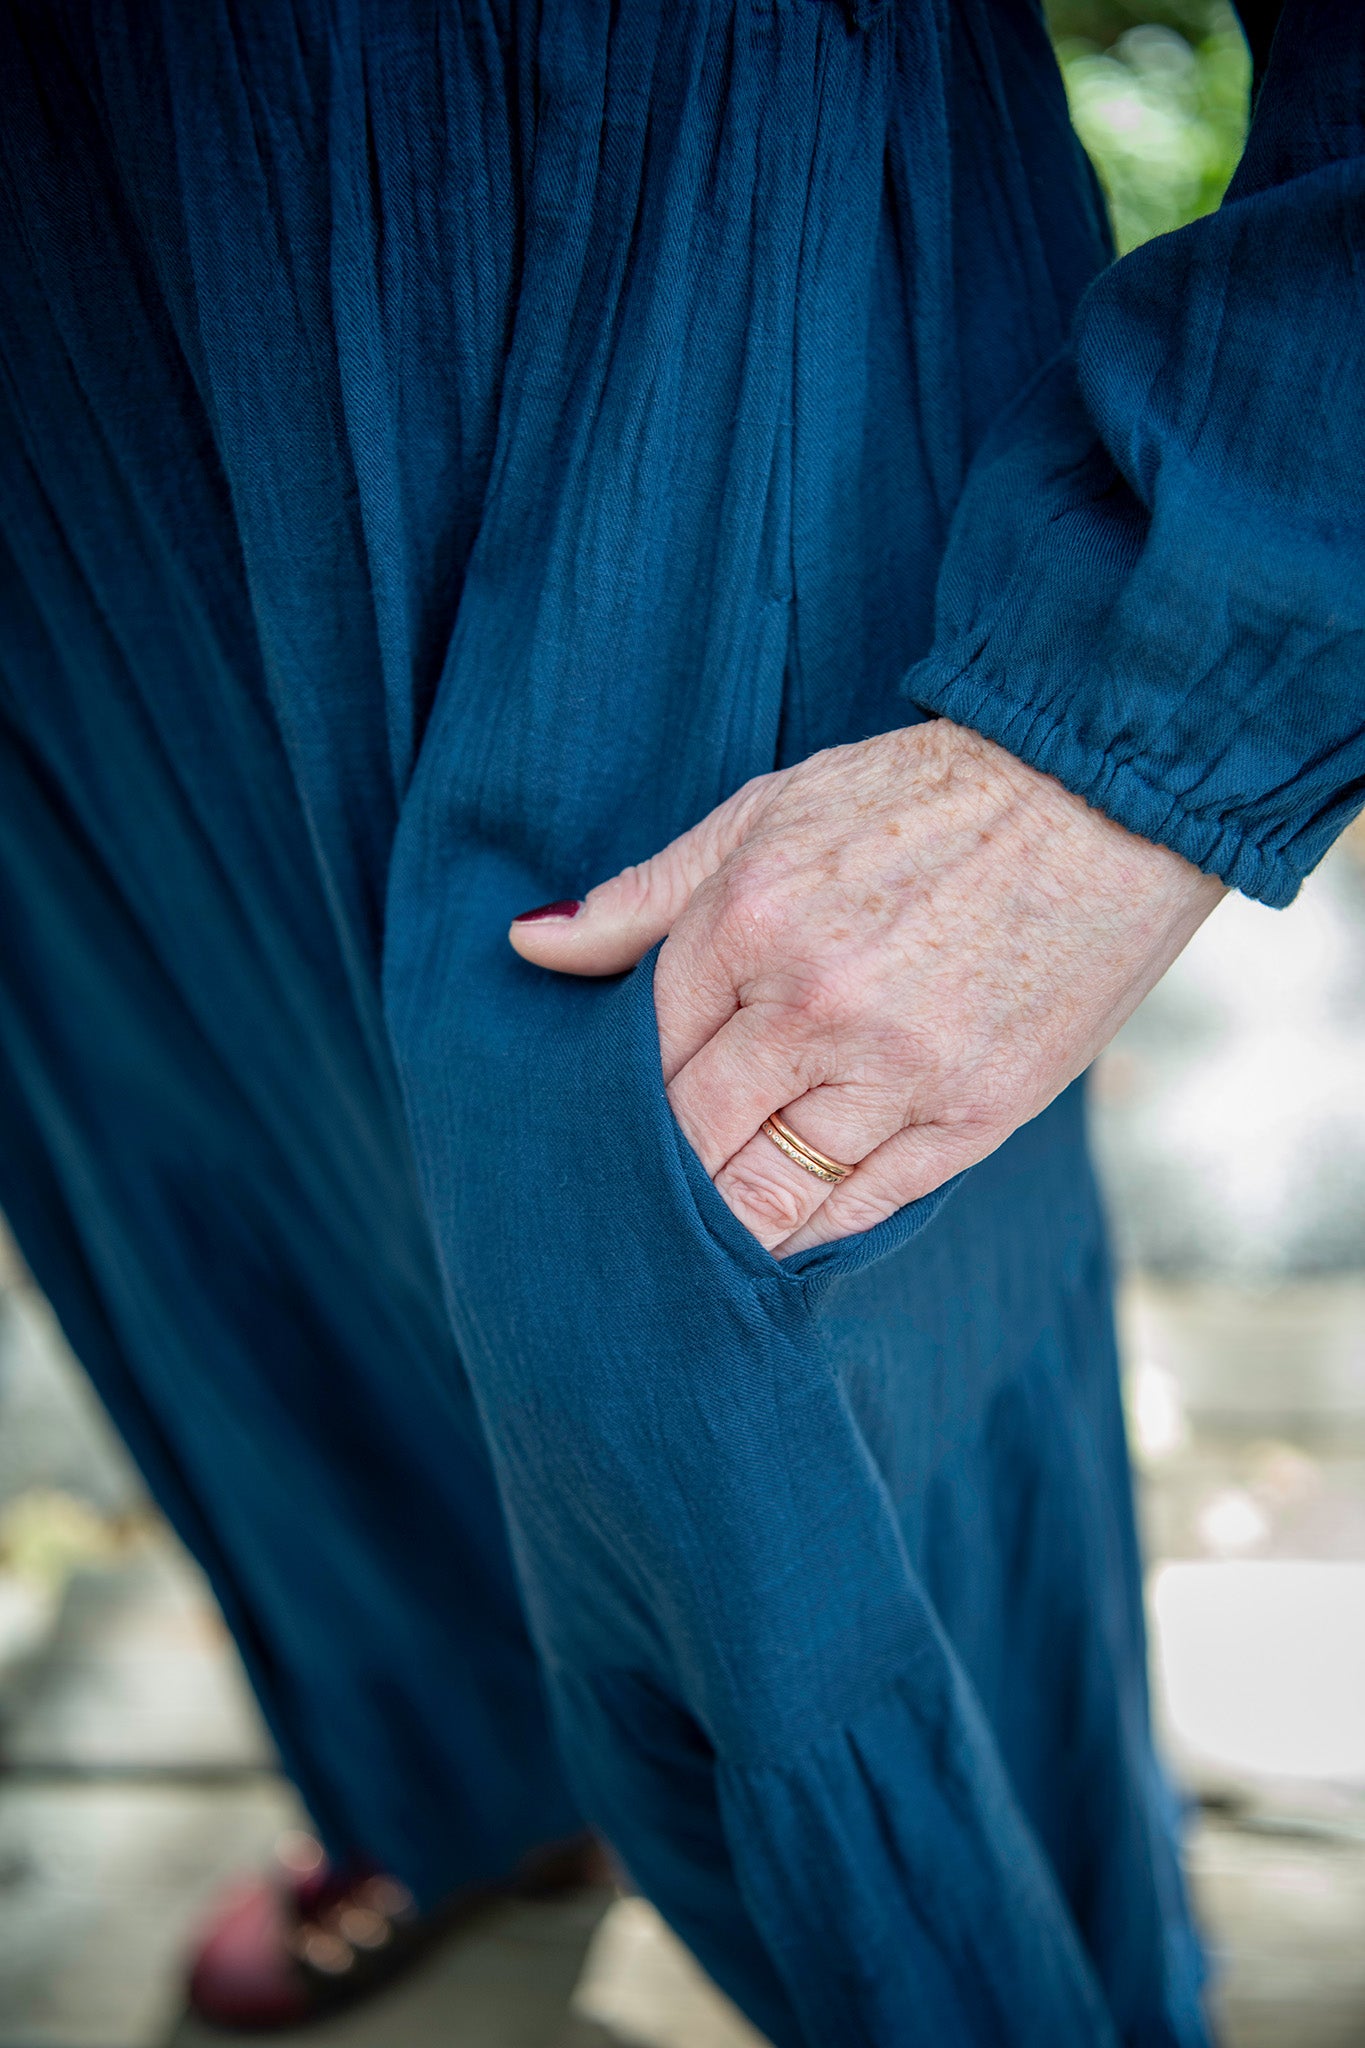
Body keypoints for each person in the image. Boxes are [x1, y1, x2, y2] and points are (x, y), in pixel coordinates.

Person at [1, 0, 1359, 2039]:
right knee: (249, 1199)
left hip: (654, 293)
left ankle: (1005, 1988)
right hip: (57, 383)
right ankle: (465, 1777)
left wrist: (1118, 744)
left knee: (771, 1408)